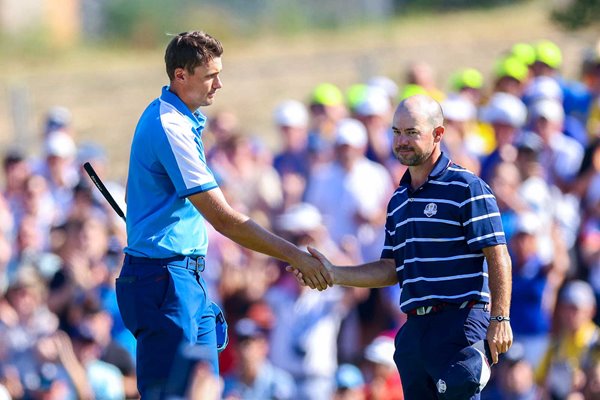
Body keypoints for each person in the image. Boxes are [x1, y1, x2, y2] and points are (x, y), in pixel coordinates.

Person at [116, 31, 332, 400]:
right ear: (180, 76)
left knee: (205, 390)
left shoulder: (182, 118)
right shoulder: (170, 126)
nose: (219, 84)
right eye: (209, 75)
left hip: (185, 278)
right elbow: (225, 220)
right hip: (165, 278)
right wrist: (294, 256)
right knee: (175, 394)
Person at [293, 94, 513, 399]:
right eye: (396, 132)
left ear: (438, 135)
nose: (402, 141)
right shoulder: (398, 200)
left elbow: (497, 254)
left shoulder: (466, 186)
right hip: (414, 328)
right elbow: (390, 268)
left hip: (460, 322)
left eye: (412, 132)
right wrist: (334, 273)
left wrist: (500, 318)